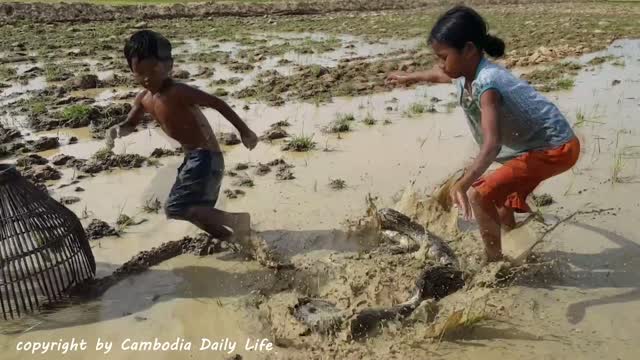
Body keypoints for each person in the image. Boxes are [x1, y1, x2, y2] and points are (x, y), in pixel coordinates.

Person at [386, 6, 580, 262]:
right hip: (535, 147)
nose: (440, 64)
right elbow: (438, 75)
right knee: (499, 198)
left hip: (554, 148)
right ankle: (518, 242)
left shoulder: (488, 83)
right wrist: (408, 77)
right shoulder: (465, 72)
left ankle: (493, 262)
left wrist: (464, 183)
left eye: (443, 57)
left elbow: (492, 145)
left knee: (480, 194)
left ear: (468, 50)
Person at [106, 30, 258, 242]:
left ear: (169, 65)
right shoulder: (144, 99)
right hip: (193, 159)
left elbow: (217, 103)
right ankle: (231, 239)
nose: (147, 78)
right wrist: (116, 130)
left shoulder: (178, 91)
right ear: (132, 71)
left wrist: (245, 131)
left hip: (205, 158)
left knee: (177, 207)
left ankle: (237, 221)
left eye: (154, 69)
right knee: (193, 210)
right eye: (140, 73)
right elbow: (130, 123)